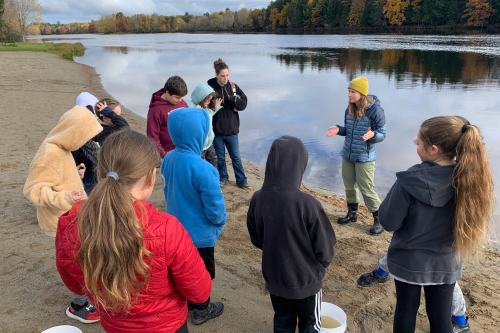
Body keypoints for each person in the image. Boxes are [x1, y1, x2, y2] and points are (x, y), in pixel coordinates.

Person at [55, 130, 212, 333]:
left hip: (115, 327)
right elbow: (200, 292)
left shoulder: (69, 226)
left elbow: (76, 287)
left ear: (101, 172)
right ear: (150, 177)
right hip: (167, 326)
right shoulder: (166, 228)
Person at [378, 116, 493, 333]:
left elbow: (388, 222)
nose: (415, 145)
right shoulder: (470, 179)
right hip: (447, 263)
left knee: (405, 311)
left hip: (408, 261)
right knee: (441, 316)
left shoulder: (409, 180)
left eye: (418, 142)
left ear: (433, 149)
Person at [247, 136, 336, 333]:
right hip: (306, 281)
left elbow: (256, 238)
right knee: (310, 325)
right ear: (299, 165)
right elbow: (326, 248)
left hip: (275, 277)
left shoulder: (257, 198)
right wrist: (320, 267)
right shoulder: (308, 204)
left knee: (282, 322)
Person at [24, 105, 103, 324]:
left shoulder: (62, 148)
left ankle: (85, 298)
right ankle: (78, 306)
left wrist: (74, 175)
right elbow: (33, 190)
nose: (84, 142)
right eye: (83, 136)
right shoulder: (49, 153)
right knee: (75, 262)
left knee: (83, 259)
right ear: (73, 132)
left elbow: (56, 177)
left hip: (74, 215)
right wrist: (66, 197)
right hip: (62, 220)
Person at [161, 108, 227, 325]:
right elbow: (215, 208)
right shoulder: (204, 168)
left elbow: (166, 189)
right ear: (200, 133)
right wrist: (219, 221)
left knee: (180, 268)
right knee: (202, 273)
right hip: (200, 235)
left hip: (175, 230)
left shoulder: (168, 158)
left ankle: (186, 299)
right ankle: (202, 308)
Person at [327, 76, 386, 235]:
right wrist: (339, 129)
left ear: (362, 93)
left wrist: (373, 135)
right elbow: (349, 130)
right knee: (349, 186)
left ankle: (379, 219)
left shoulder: (375, 111)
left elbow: (382, 134)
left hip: (364, 157)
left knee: (367, 189)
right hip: (348, 154)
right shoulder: (349, 109)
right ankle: (352, 214)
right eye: (348, 91)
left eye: (353, 91)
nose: (349, 94)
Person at [357, 254, 472, 333]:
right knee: (440, 313)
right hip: (446, 255)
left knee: (408, 309)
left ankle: (460, 320)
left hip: (416, 252)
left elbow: (391, 224)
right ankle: (460, 320)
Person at [207, 58, 250, 189]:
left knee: (235, 157)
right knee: (220, 158)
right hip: (217, 131)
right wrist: (216, 105)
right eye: (222, 76)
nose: (225, 78)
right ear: (216, 75)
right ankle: (223, 178)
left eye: (227, 75)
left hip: (232, 130)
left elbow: (244, 104)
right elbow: (205, 107)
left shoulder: (233, 87)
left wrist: (232, 99)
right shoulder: (209, 89)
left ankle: (242, 181)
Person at [147, 75, 188, 158]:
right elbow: (152, 138)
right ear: (167, 92)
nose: (180, 100)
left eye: (181, 97)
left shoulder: (182, 103)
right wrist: (165, 155)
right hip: (169, 155)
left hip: (185, 151)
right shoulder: (155, 110)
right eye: (177, 97)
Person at [188, 83, 222, 168]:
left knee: (214, 163)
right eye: (207, 99)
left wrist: (216, 106)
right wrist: (195, 112)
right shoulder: (191, 108)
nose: (209, 102)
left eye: (210, 100)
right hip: (198, 146)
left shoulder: (206, 108)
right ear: (201, 97)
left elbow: (210, 113)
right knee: (198, 167)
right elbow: (186, 122)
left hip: (209, 143)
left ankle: (212, 180)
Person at [73, 92, 101, 194]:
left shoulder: (93, 124)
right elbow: (74, 151)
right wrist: (87, 163)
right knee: (86, 195)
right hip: (87, 171)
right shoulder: (76, 127)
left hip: (96, 171)